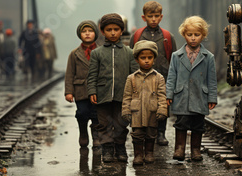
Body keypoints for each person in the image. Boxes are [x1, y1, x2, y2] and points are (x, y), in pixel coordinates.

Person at [87, 13, 139, 163]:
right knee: (103, 124)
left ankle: (120, 148)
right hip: (102, 95)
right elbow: (92, 75)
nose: (113, 32)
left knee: (121, 123)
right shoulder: (97, 53)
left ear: (122, 31)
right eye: (109, 29)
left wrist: (134, 94)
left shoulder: (129, 52)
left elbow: (135, 75)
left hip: (123, 96)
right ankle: (107, 149)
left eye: (116, 29)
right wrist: (92, 91)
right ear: (103, 32)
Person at [166, 16, 217, 161]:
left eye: (197, 35)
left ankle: (196, 150)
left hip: (200, 96)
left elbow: (212, 80)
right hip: (181, 96)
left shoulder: (208, 57)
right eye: (190, 35)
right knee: (181, 123)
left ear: (203, 35)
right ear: (184, 34)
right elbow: (171, 77)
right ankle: (179, 149)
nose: (193, 38)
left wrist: (212, 97)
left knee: (198, 124)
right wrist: (169, 94)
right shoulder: (176, 56)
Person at [129, 0, 177, 146]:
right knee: (143, 104)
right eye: (150, 16)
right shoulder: (137, 36)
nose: (154, 19)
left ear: (161, 17)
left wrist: (173, 81)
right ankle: (144, 131)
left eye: (157, 16)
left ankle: (161, 133)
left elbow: (174, 60)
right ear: (144, 18)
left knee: (162, 105)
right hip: (141, 77)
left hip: (163, 77)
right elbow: (131, 58)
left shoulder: (168, 37)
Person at [122, 40, 167, 166]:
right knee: (137, 134)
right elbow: (127, 96)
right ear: (137, 59)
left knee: (151, 133)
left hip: (152, 111)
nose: (146, 61)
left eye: (149, 58)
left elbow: (162, 96)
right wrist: (126, 111)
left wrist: (162, 109)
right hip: (136, 112)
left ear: (154, 59)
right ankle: (138, 155)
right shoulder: (131, 78)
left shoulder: (159, 78)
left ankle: (149, 153)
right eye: (143, 58)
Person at [65, 20, 101, 152]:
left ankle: (96, 137)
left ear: (95, 34)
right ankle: (83, 132)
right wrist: (69, 91)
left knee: (96, 114)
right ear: (80, 34)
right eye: (84, 32)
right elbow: (69, 73)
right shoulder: (74, 54)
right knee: (82, 113)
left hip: (97, 90)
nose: (87, 34)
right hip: (80, 90)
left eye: (90, 31)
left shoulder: (100, 51)